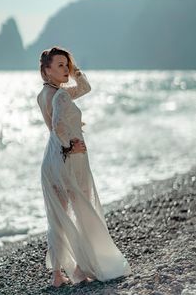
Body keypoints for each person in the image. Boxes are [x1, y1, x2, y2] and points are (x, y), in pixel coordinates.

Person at [37, 46, 132, 288]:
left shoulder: (45, 94)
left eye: (66, 64)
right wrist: (70, 148)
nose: (66, 69)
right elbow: (58, 125)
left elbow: (57, 123)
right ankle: (81, 266)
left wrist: (72, 68)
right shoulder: (61, 95)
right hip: (70, 157)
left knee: (58, 215)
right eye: (60, 65)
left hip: (52, 157)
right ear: (47, 70)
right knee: (82, 209)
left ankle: (58, 274)